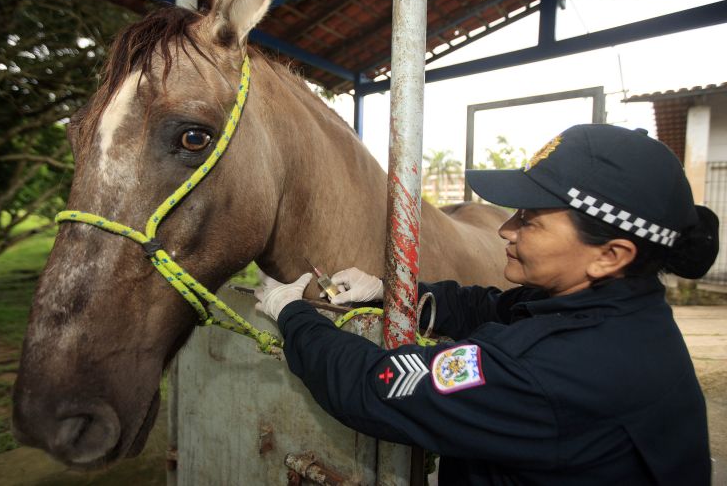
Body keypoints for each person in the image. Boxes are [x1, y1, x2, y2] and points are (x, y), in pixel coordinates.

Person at [254, 124, 719, 485]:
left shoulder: (545, 369)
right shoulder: (623, 311)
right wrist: (390, 290)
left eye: (530, 221)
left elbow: (373, 386)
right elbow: (494, 306)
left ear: (610, 254)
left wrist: (290, 312)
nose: (505, 230)